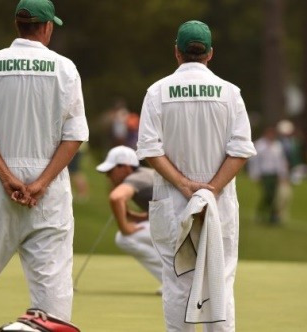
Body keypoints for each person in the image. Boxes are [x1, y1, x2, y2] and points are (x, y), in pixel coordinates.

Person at [0, 0, 88, 331]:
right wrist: (41, 183)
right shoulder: (65, 68)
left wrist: (7, 178)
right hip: (48, 195)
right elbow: (74, 135)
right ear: (48, 27)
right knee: (53, 291)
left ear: (17, 24)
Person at [136, 20, 256, 331]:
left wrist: (184, 184)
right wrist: (212, 188)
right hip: (219, 201)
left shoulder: (157, 91)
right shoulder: (230, 93)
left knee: (178, 284)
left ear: (176, 52)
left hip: (172, 199)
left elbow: (150, 148)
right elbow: (241, 150)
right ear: (210, 54)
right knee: (220, 281)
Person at [96, 146, 162, 291]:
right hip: (178, 225)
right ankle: (175, 280)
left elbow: (116, 198)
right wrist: (136, 216)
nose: (108, 176)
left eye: (110, 171)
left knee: (124, 238)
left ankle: (173, 281)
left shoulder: (135, 179)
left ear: (125, 167)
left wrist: (125, 228)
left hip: (177, 229)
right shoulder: (145, 174)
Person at [248, 126, 289, 224]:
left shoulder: (277, 146)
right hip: (264, 174)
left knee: (274, 196)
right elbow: (254, 161)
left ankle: (272, 216)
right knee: (268, 194)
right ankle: (263, 213)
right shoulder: (260, 145)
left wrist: (282, 174)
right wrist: (255, 174)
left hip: (274, 174)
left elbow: (280, 161)